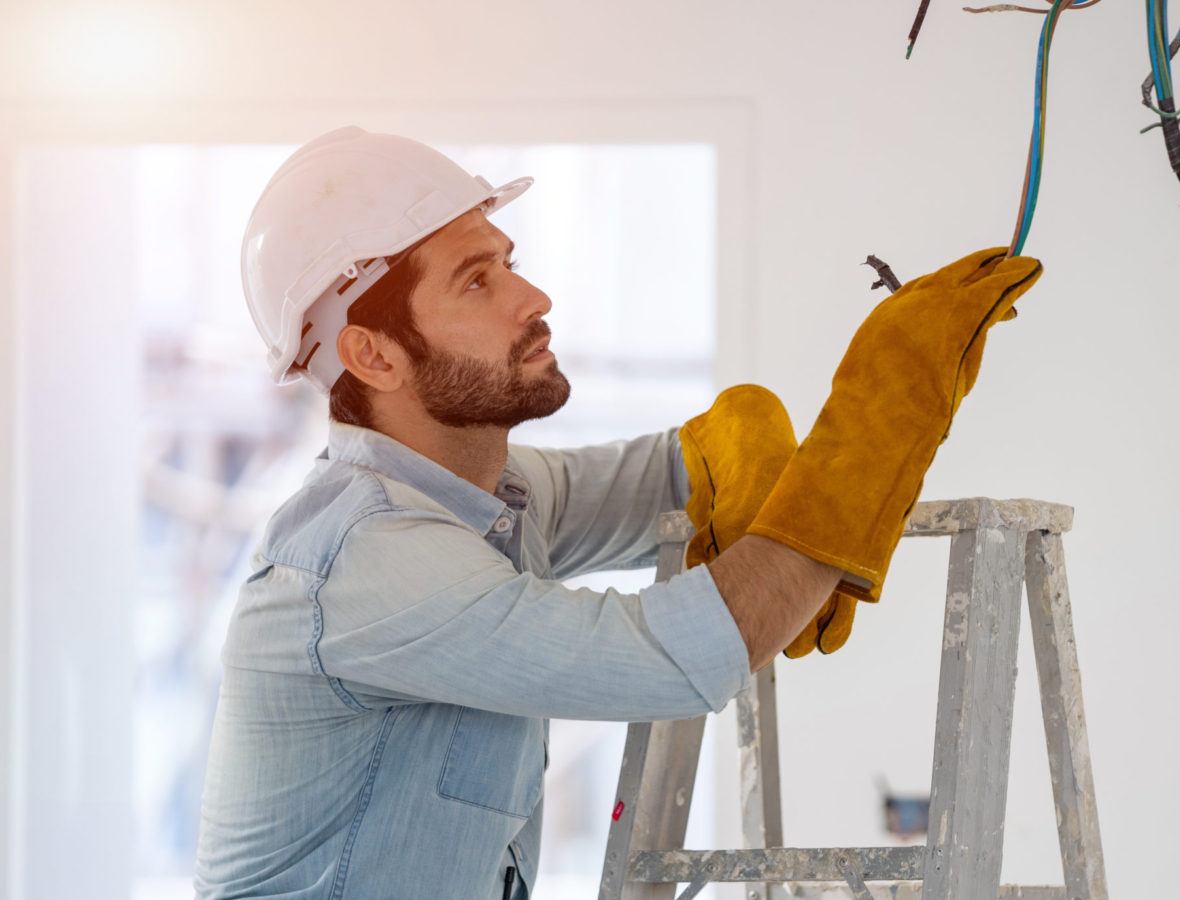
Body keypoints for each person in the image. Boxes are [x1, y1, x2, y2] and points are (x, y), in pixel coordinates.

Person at [193, 126, 1041, 899]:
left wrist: (739, 433)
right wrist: (885, 405)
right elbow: (676, 657)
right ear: (372, 353)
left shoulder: (491, 499)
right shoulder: (367, 562)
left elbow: (671, 474)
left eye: (508, 261)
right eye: (477, 281)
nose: (532, 299)